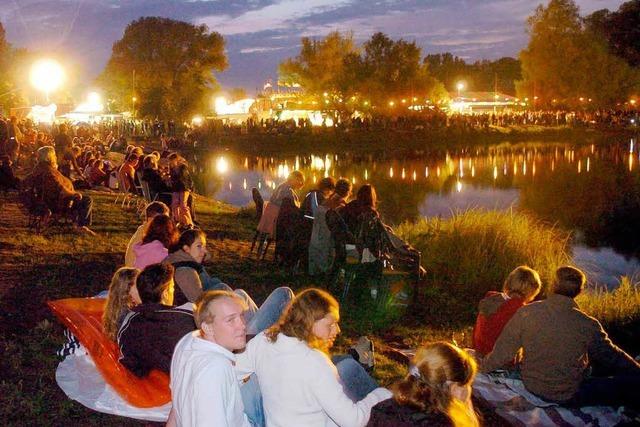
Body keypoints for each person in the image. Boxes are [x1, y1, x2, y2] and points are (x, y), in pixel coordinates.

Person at [482, 266, 640, 409]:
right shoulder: (588, 324)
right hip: (568, 395)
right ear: (579, 291)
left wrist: (482, 368)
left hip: (531, 386)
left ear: (553, 285)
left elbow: (503, 352)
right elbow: (612, 356)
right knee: (625, 380)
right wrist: (636, 368)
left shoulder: (527, 312)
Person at [236, 288, 392, 426]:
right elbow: (354, 421)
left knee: (347, 364)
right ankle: (399, 407)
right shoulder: (315, 362)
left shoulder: (265, 339)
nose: (337, 330)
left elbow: (233, 371)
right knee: (350, 368)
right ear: (309, 323)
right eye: (330, 324)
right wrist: (381, 395)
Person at [166, 228, 295, 334]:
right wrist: (224, 299)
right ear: (186, 248)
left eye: (204, 246)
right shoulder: (185, 271)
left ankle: (260, 329)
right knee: (284, 293)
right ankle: (264, 337)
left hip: (224, 323)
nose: (204, 251)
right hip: (237, 335)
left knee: (240, 293)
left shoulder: (178, 260)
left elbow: (206, 258)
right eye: (199, 246)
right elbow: (201, 306)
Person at [168, 291, 259, 427]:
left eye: (241, 316)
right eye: (230, 320)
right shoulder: (216, 368)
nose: (242, 325)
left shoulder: (187, 341)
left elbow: (175, 408)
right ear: (208, 327)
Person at [368, 342, 479, 427]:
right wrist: (468, 411)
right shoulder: (440, 423)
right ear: (454, 388)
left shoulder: (383, 409)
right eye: (468, 384)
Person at [117, 263, 195, 377]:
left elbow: (131, 365)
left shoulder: (130, 325)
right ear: (165, 293)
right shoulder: (189, 317)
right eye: (172, 288)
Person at [21, 146, 95, 234]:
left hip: (46, 201)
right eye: (54, 155)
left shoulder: (38, 169)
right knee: (87, 200)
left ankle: (78, 223)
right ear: (50, 157)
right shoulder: (49, 172)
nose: (56, 157)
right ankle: (81, 225)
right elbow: (60, 188)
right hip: (57, 204)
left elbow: (25, 183)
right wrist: (73, 194)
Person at [472, 266, 542, 356]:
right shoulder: (522, 311)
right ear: (532, 290)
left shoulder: (491, 298)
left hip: (478, 354)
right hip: (499, 363)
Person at [308, 178, 352, 275]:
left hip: (317, 236)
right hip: (328, 236)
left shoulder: (328, 199)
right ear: (348, 192)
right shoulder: (341, 205)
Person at [256, 170, 304, 241]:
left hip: (272, 213)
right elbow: (284, 203)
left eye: (301, 181)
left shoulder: (284, 186)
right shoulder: (286, 189)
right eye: (299, 181)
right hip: (277, 217)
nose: (300, 183)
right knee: (299, 222)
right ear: (294, 179)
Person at [124, 201, 170, 267]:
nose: (167, 223)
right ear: (151, 220)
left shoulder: (143, 230)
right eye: (163, 220)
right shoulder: (147, 236)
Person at [102, 267, 141, 341]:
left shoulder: (116, 310)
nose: (142, 288)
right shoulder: (129, 315)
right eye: (138, 285)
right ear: (127, 288)